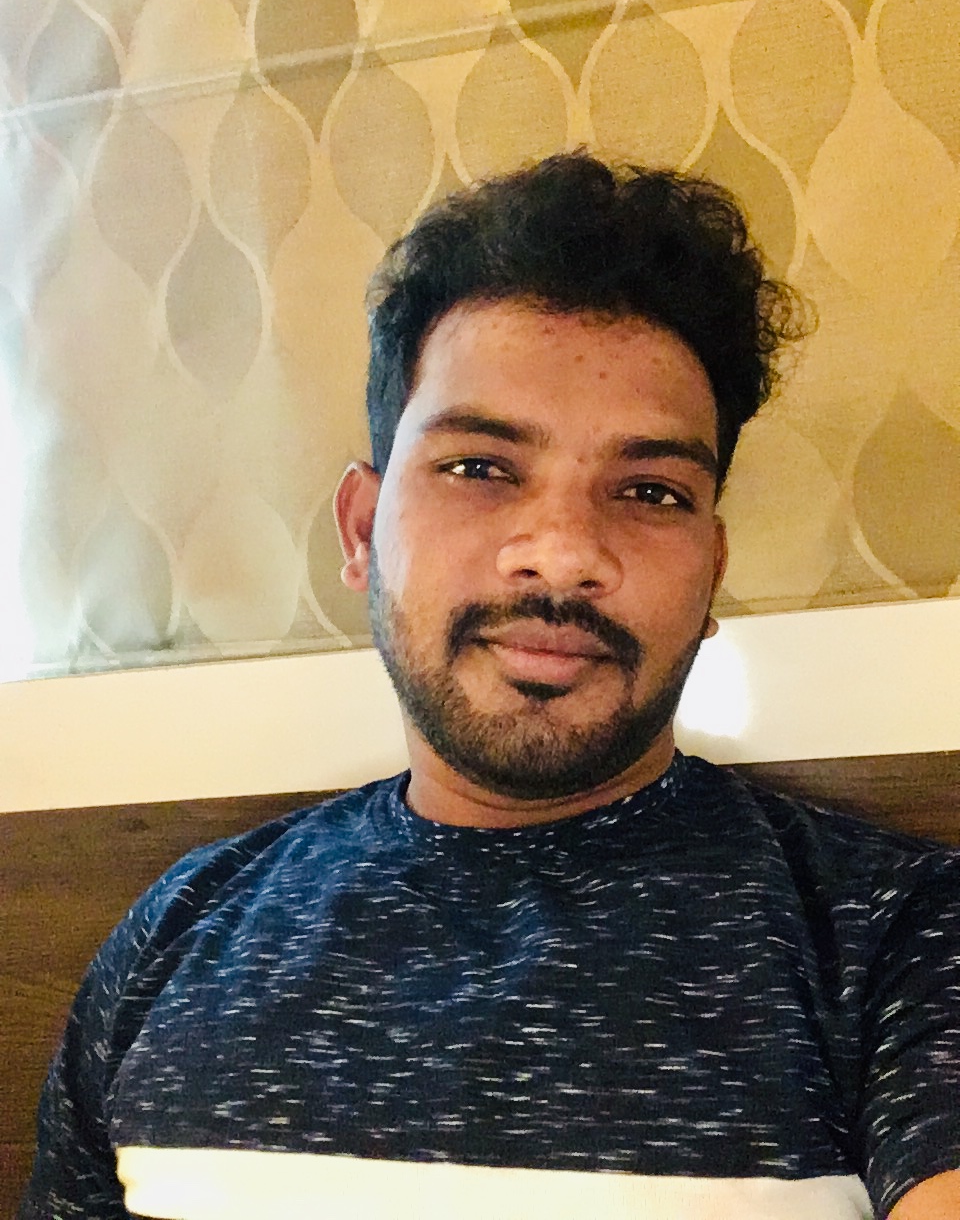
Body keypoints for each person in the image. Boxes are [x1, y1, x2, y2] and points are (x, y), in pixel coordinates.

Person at [20, 154, 960, 1220]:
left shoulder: (902, 937)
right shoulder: (178, 932)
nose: (563, 554)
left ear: (711, 571)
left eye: (651, 491)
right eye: (479, 467)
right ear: (363, 529)